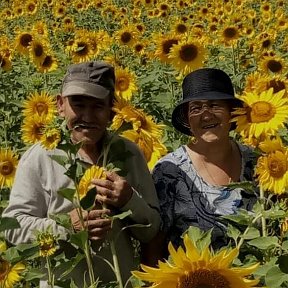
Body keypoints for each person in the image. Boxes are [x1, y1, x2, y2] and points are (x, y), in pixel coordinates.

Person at [3, 61, 161, 286]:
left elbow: (152, 229)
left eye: (97, 106)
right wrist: (67, 226)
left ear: (111, 110)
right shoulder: (40, 157)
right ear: (60, 105)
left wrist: (130, 200)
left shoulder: (130, 153)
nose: (87, 116)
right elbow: (13, 226)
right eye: (78, 105)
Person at [141, 68, 258, 266]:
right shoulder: (169, 171)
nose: (206, 115)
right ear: (187, 119)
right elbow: (154, 243)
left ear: (232, 112)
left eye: (214, 105)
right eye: (196, 108)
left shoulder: (259, 162)